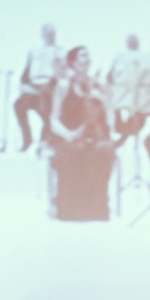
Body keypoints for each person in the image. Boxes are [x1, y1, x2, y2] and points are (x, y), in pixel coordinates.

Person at [46, 46, 115, 222]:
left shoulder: (98, 85)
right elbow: (53, 120)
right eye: (82, 57)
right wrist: (69, 134)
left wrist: (104, 98)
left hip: (94, 135)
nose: (87, 60)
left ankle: (98, 208)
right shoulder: (63, 86)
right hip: (70, 136)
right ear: (73, 63)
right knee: (74, 152)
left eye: (88, 57)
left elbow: (110, 116)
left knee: (104, 151)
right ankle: (72, 209)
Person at [13, 24, 61, 151]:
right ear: (42, 35)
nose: (50, 36)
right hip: (33, 86)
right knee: (18, 106)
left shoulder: (59, 51)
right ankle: (27, 139)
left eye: (52, 33)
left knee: (47, 115)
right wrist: (23, 85)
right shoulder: (34, 51)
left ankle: (44, 142)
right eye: (47, 33)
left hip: (49, 86)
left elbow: (62, 72)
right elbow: (26, 70)